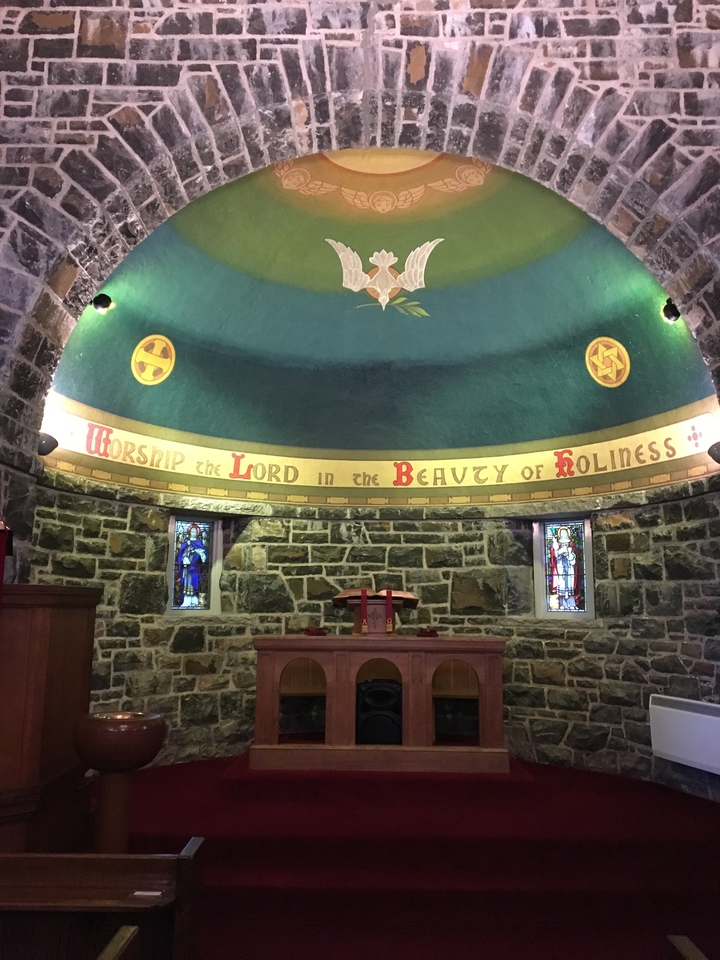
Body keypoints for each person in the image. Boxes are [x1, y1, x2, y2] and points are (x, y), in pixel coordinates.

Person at [176, 524, 208, 608]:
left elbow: (203, 555)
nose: (193, 533)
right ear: (190, 532)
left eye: (195, 532)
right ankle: (186, 601)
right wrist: (184, 558)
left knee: (194, 582)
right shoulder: (186, 542)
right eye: (192, 531)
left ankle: (194, 601)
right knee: (187, 582)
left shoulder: (199, 543)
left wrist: (199, 553)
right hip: (187, 567)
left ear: (197, 533)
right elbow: (181, 554)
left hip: (195, 567)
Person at [549, 526, 579, 611]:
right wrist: (557, 549)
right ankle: (562, 604)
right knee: (561, 585)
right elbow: (554, 556)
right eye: (562, 533)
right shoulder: (557, 544)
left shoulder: (571, 544)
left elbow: (574, 558)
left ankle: (571, 604)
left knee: (569, 585)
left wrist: (569, 555)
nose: (563, 534)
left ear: (568, 534)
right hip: (561, 567)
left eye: (565, 532)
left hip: (569, 568)